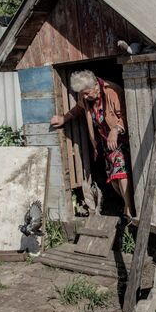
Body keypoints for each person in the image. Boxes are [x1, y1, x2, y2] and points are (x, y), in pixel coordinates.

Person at [50, 70, 134, 219]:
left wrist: (116, 129)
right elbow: (77, 109)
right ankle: (128, 204)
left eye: (87, 93)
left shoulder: (112, 91)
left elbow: (127, 115)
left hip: (120, 141)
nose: (85, 97)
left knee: (121, 174)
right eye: (82, 94)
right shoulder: (87, 100)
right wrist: (64, 118)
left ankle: (128, 210)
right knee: (114, 179)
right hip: (106, 143)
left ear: (96, 86)